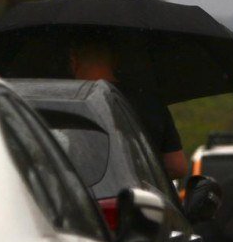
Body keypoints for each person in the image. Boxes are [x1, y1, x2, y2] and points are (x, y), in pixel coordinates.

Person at [68, 35, 189, 180]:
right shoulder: (150, 102)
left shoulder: (73, 105)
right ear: (115, 61)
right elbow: (177, 167)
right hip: (145, 198)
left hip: (89, 197)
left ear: (74, 62)